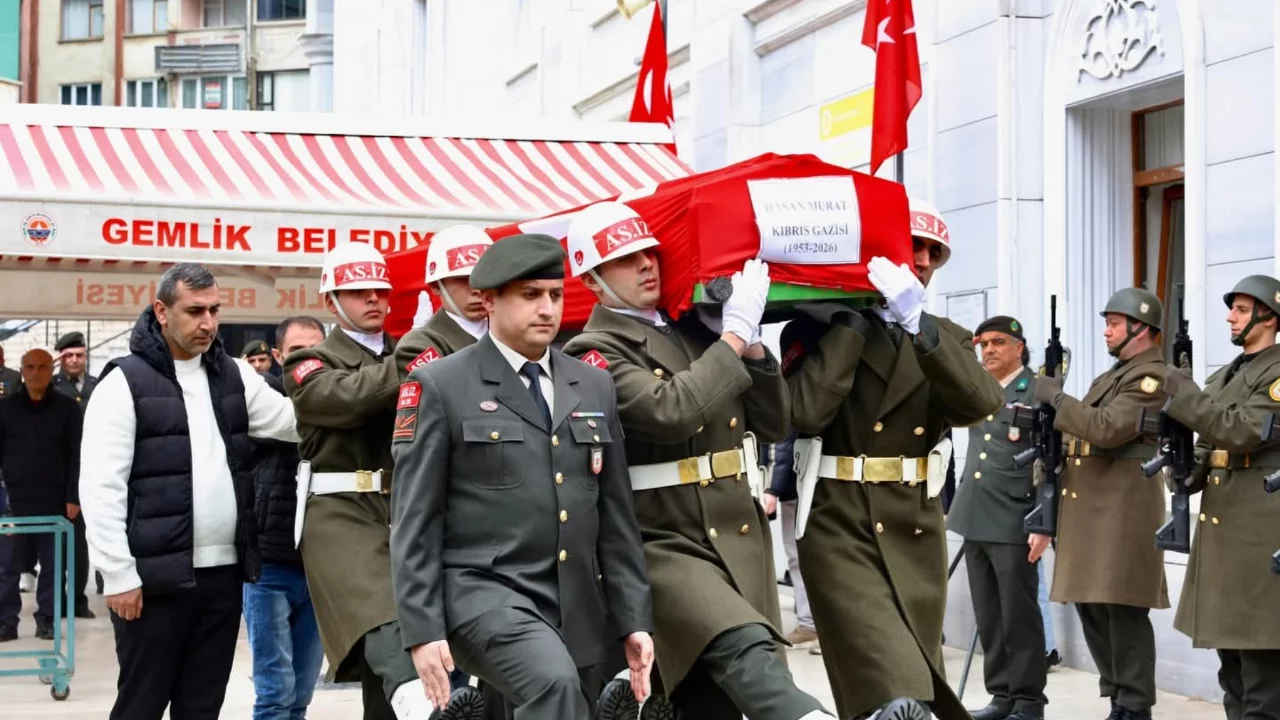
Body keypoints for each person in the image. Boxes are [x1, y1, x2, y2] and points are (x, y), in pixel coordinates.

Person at [560, 201, 859, 720]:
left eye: (649, 253)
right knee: (741, 644)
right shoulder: (595, 348)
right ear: (592, 278)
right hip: (661, 535)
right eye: (627, 259)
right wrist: (734, 336)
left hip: (735, 528)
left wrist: (754, 350)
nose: (647, 265)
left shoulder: (697, 328)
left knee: (704, 696)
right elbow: (669, 411)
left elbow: (773, 422)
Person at [391, 232, 655, 719]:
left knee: (555, 698)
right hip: (482, 591)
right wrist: (422, 630)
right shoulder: (440, 384)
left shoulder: (593, 384)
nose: (547, 309)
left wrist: (633, 618)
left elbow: (615, 515)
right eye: (530, 295)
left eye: (555, 295)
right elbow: (414, 520)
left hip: (573, 596)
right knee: (553, 687)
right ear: (488, 301)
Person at [781, 198, 1004, 720]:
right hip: (839, 520)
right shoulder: (815, 327)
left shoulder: (944, 335)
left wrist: (916, 325)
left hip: (914, 525)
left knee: (914, 685)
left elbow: (981, 403)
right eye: (913, 245)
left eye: (934, 251)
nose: (923, 259)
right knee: (885, 674)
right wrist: (854, 323)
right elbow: (807, 412)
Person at [79, 263, 301, 720]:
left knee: (202, 707)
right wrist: (118, 575)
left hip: (222, 575)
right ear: (161, 311)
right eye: (195, 310)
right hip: (151, 582)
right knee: (140, 704)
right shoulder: (123, 383)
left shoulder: (233, 375)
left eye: (215, 311)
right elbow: (101, 487)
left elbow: (292, 421)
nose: (208, 324)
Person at [282, 242, 483, 720]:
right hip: (341, 512)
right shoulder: (309, 361)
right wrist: (417, 360)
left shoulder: (413, 350)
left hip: (407, 508)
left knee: (406, 655)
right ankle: (426, 708)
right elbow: (346, 398)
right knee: (385, 616)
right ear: (331, 301)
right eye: (356, 292)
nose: (372, 299)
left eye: (379, 290)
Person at [1028, 287, 1169, 720]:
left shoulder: (1152, 377)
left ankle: (1134, 704)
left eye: (1113, 323)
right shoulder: (1113, 375)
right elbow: (1078, 431)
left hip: (1123, 506)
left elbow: (1106, 429)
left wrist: (1054, 396)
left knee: (1122, 608)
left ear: (1140, 329)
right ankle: (1118, 697)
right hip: (1090, 504)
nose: (1106, 332)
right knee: (1092, 604)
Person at [1162, 275, 1280, 719]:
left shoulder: (1277, 374)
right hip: (1225, 533)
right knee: (1232, 670)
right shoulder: (1229, 372)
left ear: (1270, 317)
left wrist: (1184, 395)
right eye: (1232, 307)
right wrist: (1183, 466)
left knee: (1263, 668)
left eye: (1243, 309)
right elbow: (1211, 443)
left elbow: (1241, 430)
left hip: (1258, 532)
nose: (1231, 315)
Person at [947, 315, 1047, 720]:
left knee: (1018, 615)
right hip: (974, 514)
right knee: (988, 614)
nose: (988, 350)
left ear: (1018, 347)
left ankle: (1027, 701)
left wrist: (1044, 522)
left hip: (1014, 518)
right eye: (983, 344)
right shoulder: (979, 389)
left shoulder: (1039, 392)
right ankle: (1001, 695)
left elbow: (1051, 463)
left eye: (998, 343)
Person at [244, 317, 328, 720]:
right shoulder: (261, 401)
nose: (307, 359)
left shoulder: (341, 401)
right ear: (277, 356)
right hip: (269, 566)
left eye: (316, 348)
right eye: (297, 351)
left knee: (301, 692)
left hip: (321, 567)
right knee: (275, 692)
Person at [0, 349, 82, 642]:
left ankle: (47, 619)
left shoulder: (68, 408)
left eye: (42, 367)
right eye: (30, 367)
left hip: (55, 501)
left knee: (54, 566)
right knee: (6, 567)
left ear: (51, 369)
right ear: (21, 370)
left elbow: (76, 455)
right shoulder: (5, 408)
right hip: (12, 503)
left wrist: (74, 496)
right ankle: (6, 621)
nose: (36, 373)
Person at [396, 225, 493, 382]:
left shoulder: (513, 329)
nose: (477, 289)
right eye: (463, 279)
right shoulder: (418, 345)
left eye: (484, 276)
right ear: (436, 286)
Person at [52, 330, 99, 612]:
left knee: (82, 543)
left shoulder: (96, 385)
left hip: (92, 472)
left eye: (79, 355)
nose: (74, 360)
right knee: (57, 543)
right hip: (60, 474)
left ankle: (78, 598)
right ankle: (57, 598)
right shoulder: (52, 387)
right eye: (68, 355)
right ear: (60, 359)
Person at [767, 430, 821, 656]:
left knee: (799, 557)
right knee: (799, 557)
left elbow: (782, 444)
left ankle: (811, 626)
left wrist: (773, 488)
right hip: (799, 484)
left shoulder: (785, 398)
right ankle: (811, 623)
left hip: (796, 486)